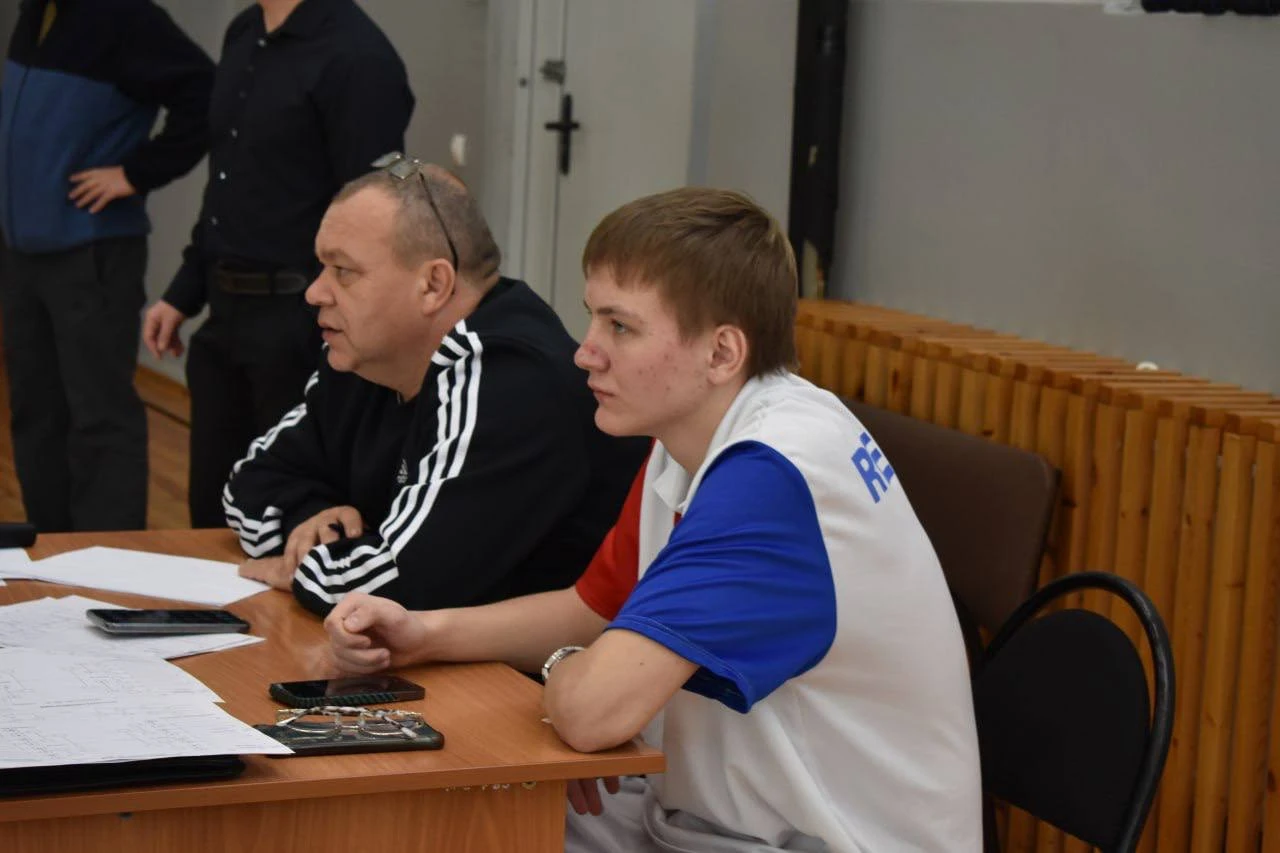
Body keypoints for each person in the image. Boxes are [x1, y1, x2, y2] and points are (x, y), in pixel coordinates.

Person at [321, 188, 983, 851]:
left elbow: (592, 712)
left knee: (440, 824)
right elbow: (592, 608)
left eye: (621, 327)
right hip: (722, 816)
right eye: (592, 318)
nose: (585, 352)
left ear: (721, 353)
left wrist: (569, 670)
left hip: (818, 839)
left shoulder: (771, 474)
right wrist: (424, 634)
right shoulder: (696, 434)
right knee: (438, 810)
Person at [225, 158, 648, 618]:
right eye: (321, 267)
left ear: (433, 285)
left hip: (543, 660)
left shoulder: (511, 379)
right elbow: (247, 486)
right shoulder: (366, 357)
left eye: (343, 271)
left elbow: (401, 586)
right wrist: (309, 520)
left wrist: (305, 568)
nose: (315, 292)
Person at [142, 0, 414, 528]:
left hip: (301, 323)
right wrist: (183, 291)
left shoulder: (359, 56)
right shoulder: (245, 30)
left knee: (286, 515)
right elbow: (227, 182)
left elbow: (371, 215)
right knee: (213, 513)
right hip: (224, 315)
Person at [0, 0, 214, 532]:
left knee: (99, 417)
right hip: (23, 254)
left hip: (92, 253)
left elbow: (206, 95)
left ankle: (108, 556)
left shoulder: (125, 16)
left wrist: (135, 174)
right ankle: (50, 549)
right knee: (34, 413)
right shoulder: (35, 11)